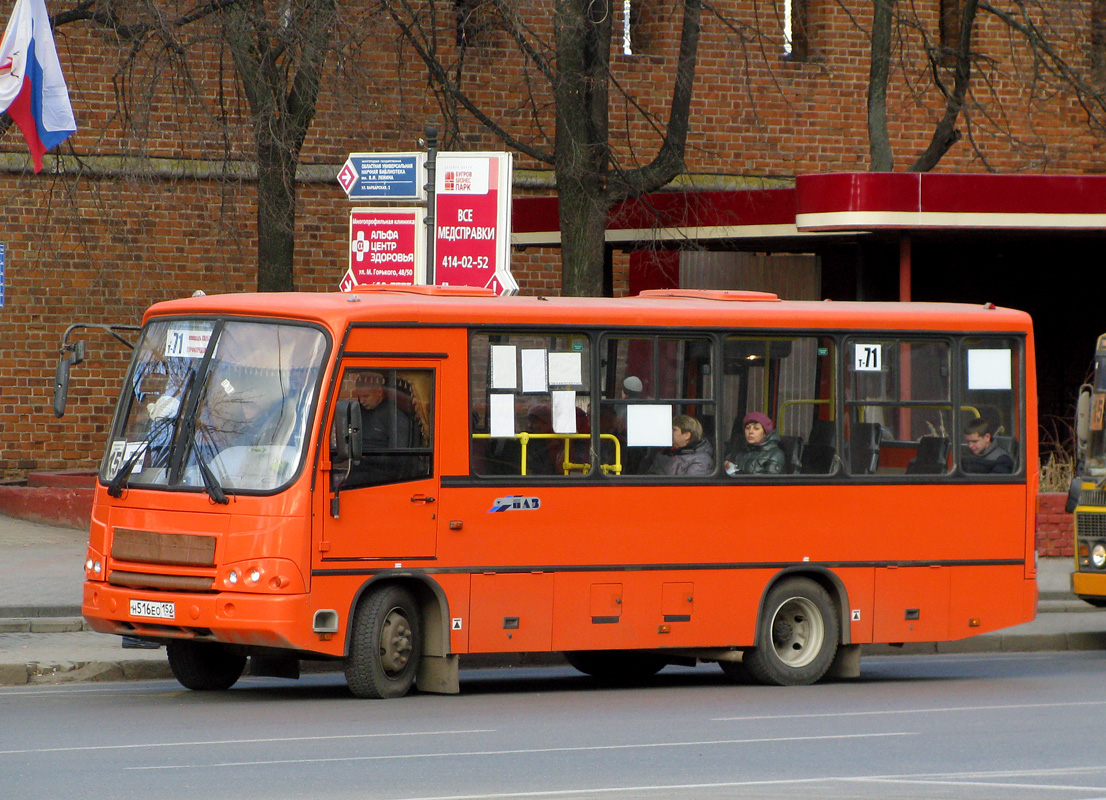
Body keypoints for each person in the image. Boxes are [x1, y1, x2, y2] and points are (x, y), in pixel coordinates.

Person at [725, 411, 785, 475]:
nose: (750, 432)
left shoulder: (775, 454)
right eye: (747, 428)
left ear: (765, 433)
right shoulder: (739, 452)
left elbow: (768, 482)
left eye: (756, 428)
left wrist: (735, 475)